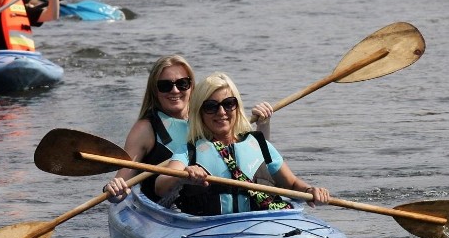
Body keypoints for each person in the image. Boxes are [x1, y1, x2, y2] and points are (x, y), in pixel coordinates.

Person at [152, 73, 329, 215]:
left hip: (260, 227)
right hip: (209, 232)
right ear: (200, 112)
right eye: (211, 106)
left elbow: (291, 184)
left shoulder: (259, 144)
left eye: (229, 104)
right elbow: (161, 185)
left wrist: (310, 190)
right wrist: (182, 174)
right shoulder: (189, 151)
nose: (221, 112)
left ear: (237, 107)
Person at [102, 58, 274, 204]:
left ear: (192, 87)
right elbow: (122, 185)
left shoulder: (211, 116)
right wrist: (114, 189)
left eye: (182, 84)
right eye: (165, 86)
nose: (175, 90)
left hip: (211, 205)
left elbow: (255, 158)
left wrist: (263, 124)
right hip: (168, 210)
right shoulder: (145, 129)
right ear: (155, 90)